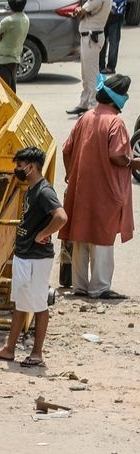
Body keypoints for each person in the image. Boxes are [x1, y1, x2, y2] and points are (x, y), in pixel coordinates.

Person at [0, 148, 65, 368]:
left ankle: (37, 353)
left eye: (19, 165)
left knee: (39, 304)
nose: (17, 169)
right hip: (25, 255)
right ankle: (9, 348)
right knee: (20, 303)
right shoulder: (31, 189)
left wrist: (42, 234)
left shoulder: (44, 191)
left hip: (36, 258)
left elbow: (61, 217)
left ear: (31, 167)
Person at [61, 73, 137, 299]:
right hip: (106, 190)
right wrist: (132, 162)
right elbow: (118, 156)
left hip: (80, 188)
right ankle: (99, 287)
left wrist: (70, 176)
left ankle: (80, 286)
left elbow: (66, 150)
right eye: (124, 94)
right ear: (117, 98)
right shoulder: (115, 122)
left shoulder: (85, 117)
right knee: (102, 238)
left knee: (81, 235)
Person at [72, 0, 111, 115]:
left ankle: (93, 105)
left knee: (92, 75)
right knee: (86, 73)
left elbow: (81, 12)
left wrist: (79, 10)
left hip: (92, 38)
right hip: (89, 37)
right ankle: (84, 103)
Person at [0, 0, 30, 90]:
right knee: (10, 89)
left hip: (2, 60)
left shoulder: (9, 20)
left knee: (2, 90)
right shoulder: (25, 19)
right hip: (14, 59)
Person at [103, 0, 127, 75]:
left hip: (116, 13)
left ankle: (110, 67)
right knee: (102, 40)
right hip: (104, 12)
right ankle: (101, 65)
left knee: (113, 42)